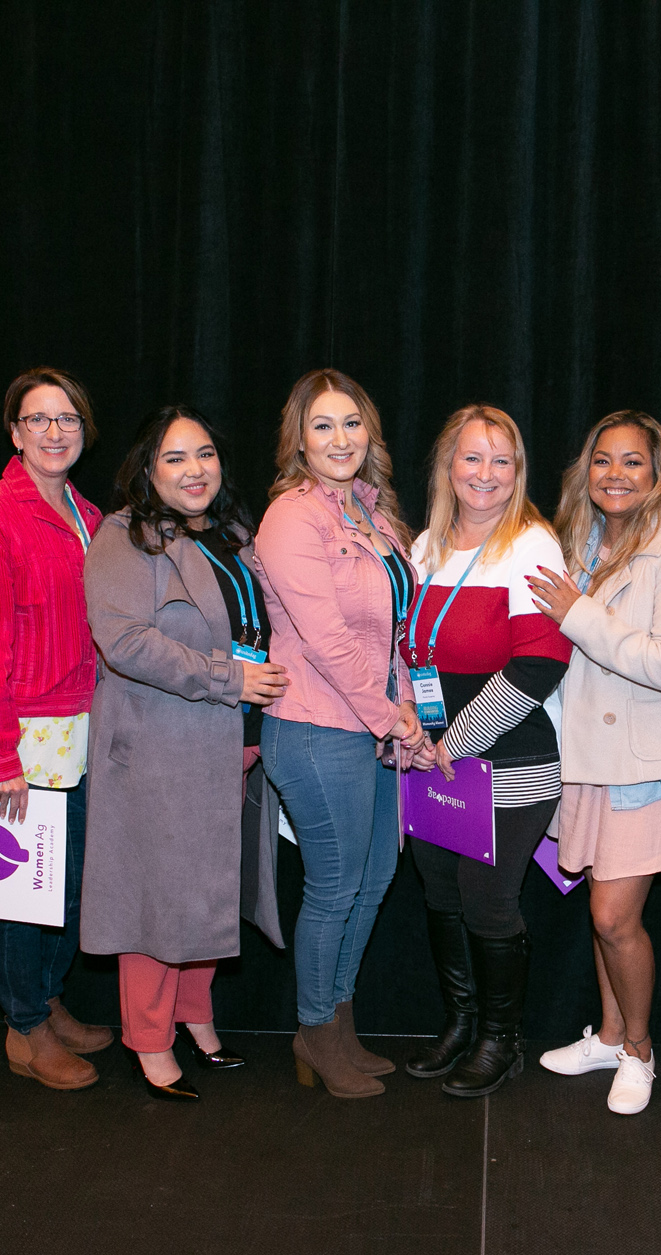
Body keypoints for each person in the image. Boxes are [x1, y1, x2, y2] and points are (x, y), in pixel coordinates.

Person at [81, 407, 289, 1102]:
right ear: (147, 469)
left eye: (205, 453)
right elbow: (126, 642)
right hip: (162, 748)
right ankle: (148, 1037)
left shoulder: (233, 534)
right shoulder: (123, 538)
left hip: (235, 743)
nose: (194, 469)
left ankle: (195, 1014)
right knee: (158, 896)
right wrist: (230, 680)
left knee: (210, 886)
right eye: (175, 458)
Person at [526, 410, 661, 1116]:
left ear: (658, 473)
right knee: (599, 909)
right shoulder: (579, 543)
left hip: (644, 764)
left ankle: (640, 1049)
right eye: (603, 460)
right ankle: (607, 1035)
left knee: (612, 917)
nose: (616, 474)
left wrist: (578, 613)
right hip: (585, 758)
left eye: (633, 461)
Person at [255, 368, 425, 1099]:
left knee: (376, 877)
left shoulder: (372, 512)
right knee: (333, 886)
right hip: (318, 728)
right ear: (299, 437)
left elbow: (392, 632)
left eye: (351, 422)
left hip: (374, 725)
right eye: (322, 425)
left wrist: (408, 709)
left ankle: (341, 1022)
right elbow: (326, 637)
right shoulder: (292, 517)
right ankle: (315, 1029)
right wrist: (391, 717)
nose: (340, 438)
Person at [398, 406, 572, 1097]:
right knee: (441, 894)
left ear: (518, 471)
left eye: (502, 461)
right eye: (473, 458)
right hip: (435, 754)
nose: (486, 474)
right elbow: (405, 650)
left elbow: (540, 663)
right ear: (448, 465)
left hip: (510, 759)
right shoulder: (424, 546)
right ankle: (462, 1022)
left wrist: (457, 741)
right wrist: (411, 723)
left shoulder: (531, 544)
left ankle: (503, 1039)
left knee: (488, 901)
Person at [0, 367, 112, 1091]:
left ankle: (46, 997)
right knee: (23, 895)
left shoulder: (89, 514)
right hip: (13, 738)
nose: (54, 432)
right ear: (14, 432)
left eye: (68, 419)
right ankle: (23, 1030)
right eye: (38, 419)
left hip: (74, 732)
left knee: (68, 886)